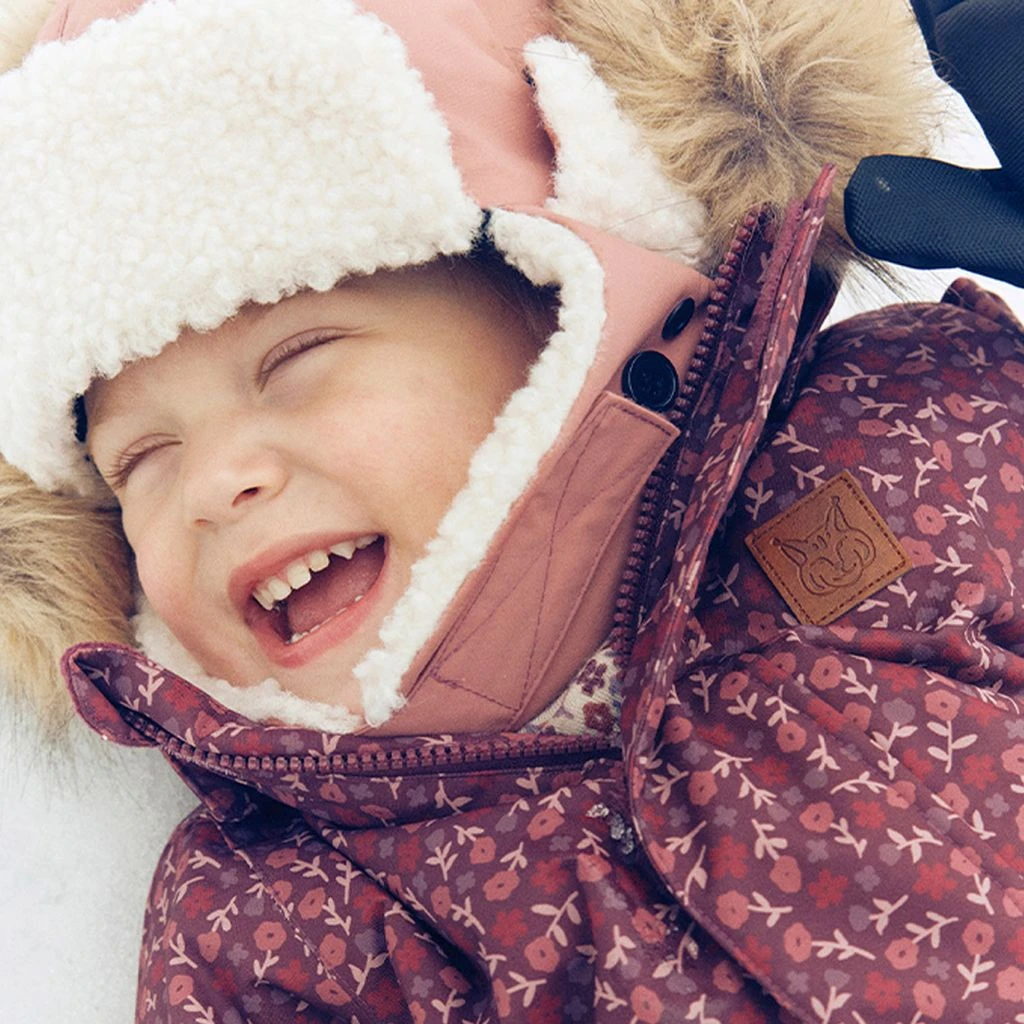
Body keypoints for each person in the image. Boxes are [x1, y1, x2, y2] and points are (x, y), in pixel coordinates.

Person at [1, 0, 1023, 1021]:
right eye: (140, 458)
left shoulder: (903, 427)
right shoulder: (274, 921)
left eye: (296, 358)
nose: (215, 481)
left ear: (554, 298)